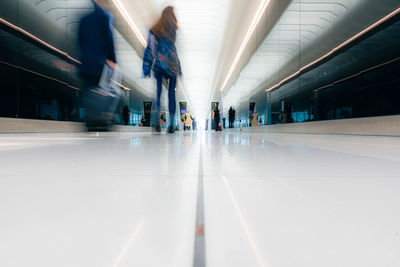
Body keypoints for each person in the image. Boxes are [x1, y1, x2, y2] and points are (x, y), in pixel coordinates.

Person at [142, 6, 182, 134]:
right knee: (171, 95)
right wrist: (179, 68)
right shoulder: (173, 30)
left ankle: (156, 122)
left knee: (158, 93)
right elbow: (173, 52)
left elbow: (149, 50)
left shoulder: (154, 30)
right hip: (171, 66)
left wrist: (146, 68)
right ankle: (171, 125)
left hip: (159, 66)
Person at [78, 0, 117, 130]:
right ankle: (101, 122)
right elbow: (108, 37)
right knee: (103, 91)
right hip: (100, 64)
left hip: (86, 64)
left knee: (89, 92)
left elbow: (80, 42)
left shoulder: (84, 19)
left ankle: (90, 122)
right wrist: (112, 59)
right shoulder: (106, 16)